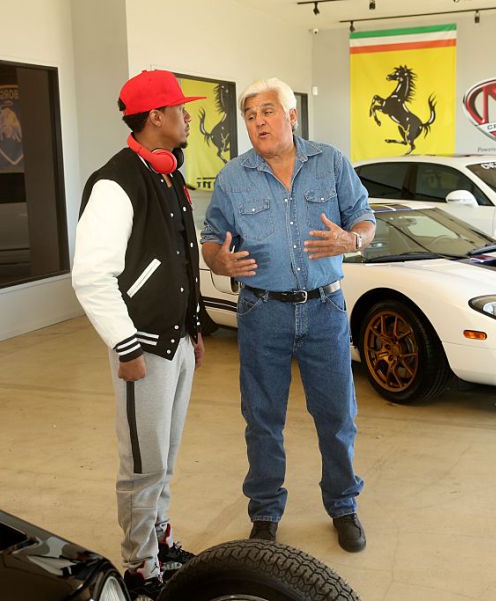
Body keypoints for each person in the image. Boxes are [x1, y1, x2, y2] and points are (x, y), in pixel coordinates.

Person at [200, 77, 375, 553]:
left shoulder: (330, 162)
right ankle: (264, 513)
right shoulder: (233, 177)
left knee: (336, 414)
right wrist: (220, 261)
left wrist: (351, 240)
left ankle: (343, 505)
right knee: (262, 418)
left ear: (291, 115)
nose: (258, 121)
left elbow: (365, 217)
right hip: (262, 312)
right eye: (250, 115)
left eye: (267, 111)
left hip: (324, 308)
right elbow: (211, 237)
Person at [72, 69, 206, 598]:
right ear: (157, 117)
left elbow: (178, 259)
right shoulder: (115, 183)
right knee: (142, 465)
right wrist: (125, 347)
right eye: (180, 108)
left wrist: (195, 327)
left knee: (165, 458)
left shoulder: (169, 173)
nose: (188, 115)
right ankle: (139, 567)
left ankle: (160, 540)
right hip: (143, 349)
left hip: (177, 343)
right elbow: (90, 275)